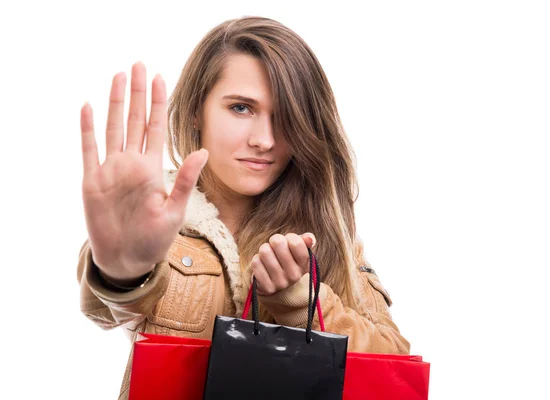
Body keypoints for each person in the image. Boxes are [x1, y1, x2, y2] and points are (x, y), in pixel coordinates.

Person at [77, 16, 410, 399]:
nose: (265, 140)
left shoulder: (325, 234)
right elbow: (106, 310)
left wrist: (302, 301)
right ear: (194, 113)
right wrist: (123, 272)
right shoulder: (155, 217)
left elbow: (394, 371)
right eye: (240, 108)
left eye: (285, 116)